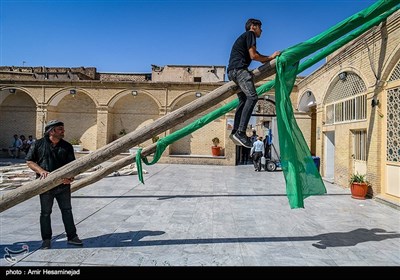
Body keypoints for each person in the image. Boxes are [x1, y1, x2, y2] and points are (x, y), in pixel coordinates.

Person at [25, 120, 83, 249]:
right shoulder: (38, 144)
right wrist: (41, 171)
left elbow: (72, 165)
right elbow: (29, 161)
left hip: (63, 186)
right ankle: (46, 239)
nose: (63, 131)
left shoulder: (67, 146)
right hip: (45, 186)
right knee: (45, 213)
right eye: (60, 129)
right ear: (52, 131)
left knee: (67, 211)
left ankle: (72, 237)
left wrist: (71, 178)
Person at [227, 18, 280, 148]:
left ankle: (235, 131)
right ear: (253, 26)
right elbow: (254, 56)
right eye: (260, 27)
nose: (261, 30)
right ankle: (240, 132)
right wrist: (271, 57)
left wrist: (267, 59)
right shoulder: (250, 35)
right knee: (253, 97)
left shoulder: (244, 37)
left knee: (244, 100)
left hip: (232, 72)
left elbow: (258, 56)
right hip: (240, 71)